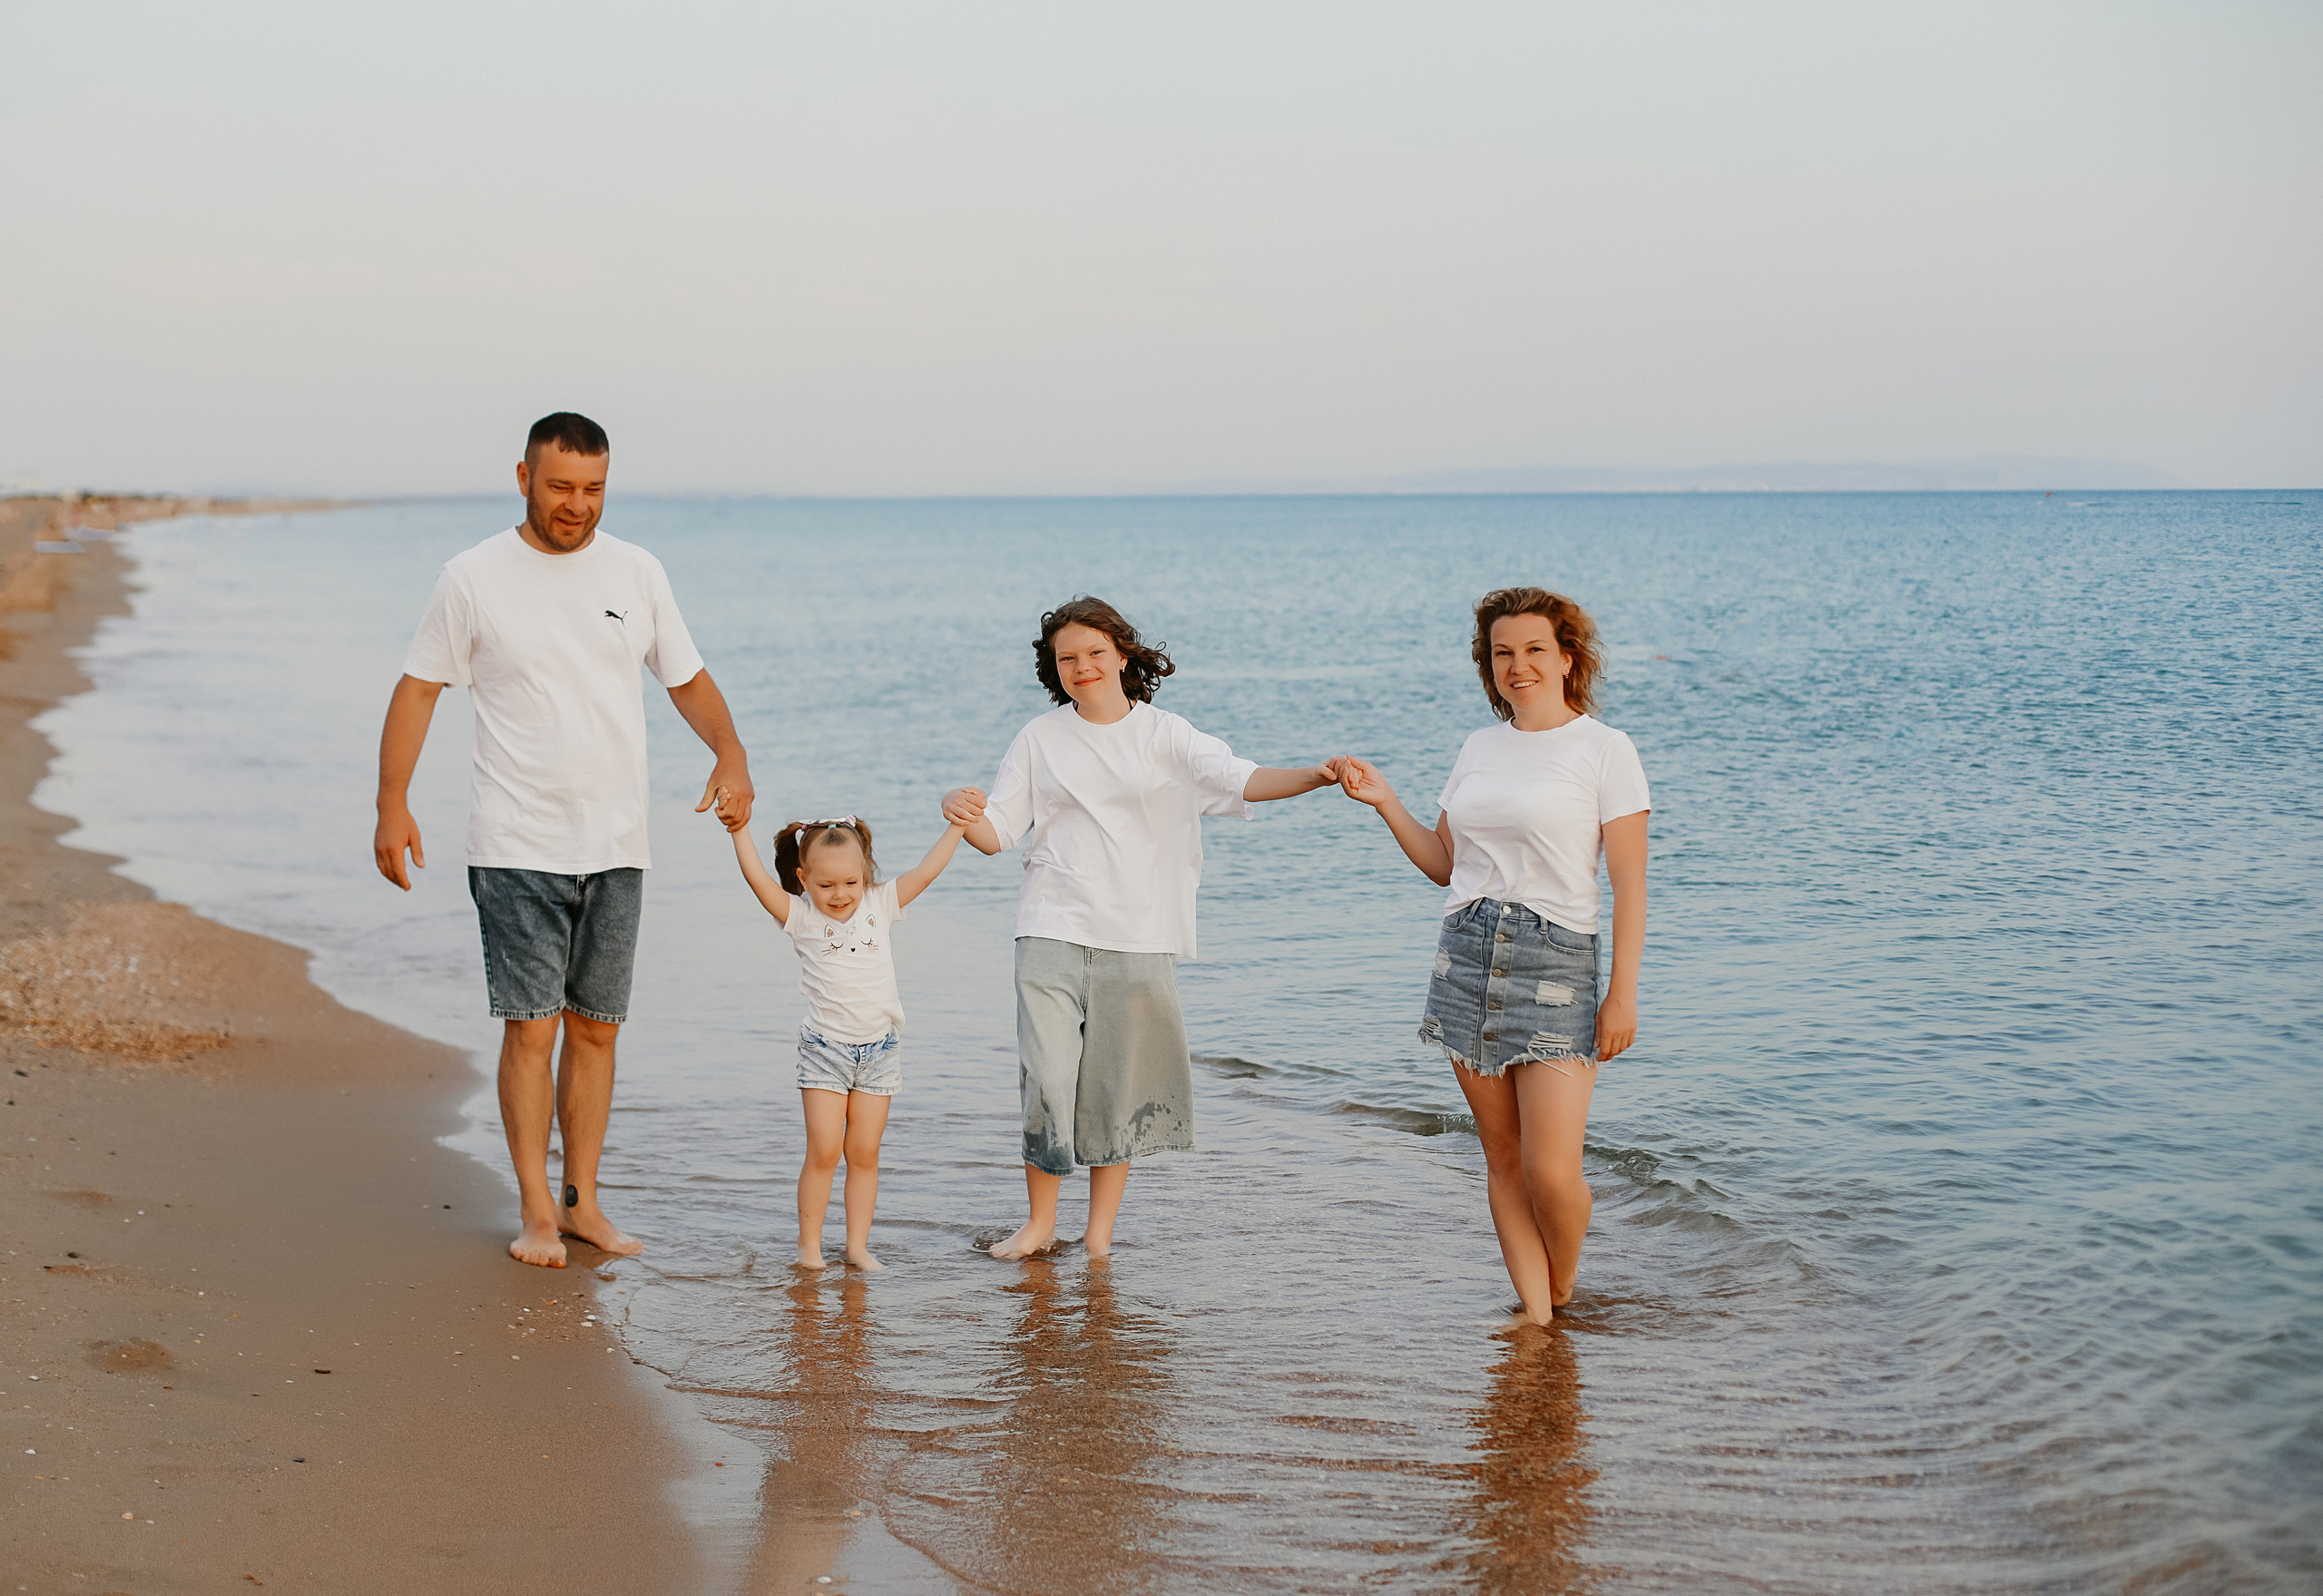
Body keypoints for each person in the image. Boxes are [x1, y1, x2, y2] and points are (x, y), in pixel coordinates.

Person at [372, 411, 754, 1270]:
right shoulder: (471, 577)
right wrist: (392, 802)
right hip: (514, 841)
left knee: (597, 1031)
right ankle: (536, 1210)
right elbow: (419, 687)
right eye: (560, 487)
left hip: (618, 843)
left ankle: (582, 1201)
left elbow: (685, 677)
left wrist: (730, 752)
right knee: (532, 1030)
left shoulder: (637, 570)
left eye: (593, 488)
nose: (577, 505)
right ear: (523, 477)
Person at [944, 595, 1339, 1260]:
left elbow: (1244, 780)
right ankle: (1039, 1224)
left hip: (1140, 934)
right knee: (1046, 1079)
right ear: (1054, 668)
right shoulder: (1039, 738)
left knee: (1113, 1089)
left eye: (1095, 653)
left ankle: (1098, 1236)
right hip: (1050, 927)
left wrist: (1319, 775)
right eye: (1066, 658)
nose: (1082, 667)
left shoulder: (1169, 736)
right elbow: (998, 833)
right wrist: (957, 809)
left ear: (1123, 654)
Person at [1337, 587, 1648, 1323]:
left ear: (1568, 657)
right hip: (1466, 958)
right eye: (1503, 652)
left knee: (1552, 1170)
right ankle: (1537, 1320)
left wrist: (1623, 992)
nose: (1519, 665)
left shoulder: (1605, 749)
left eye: (1535, 649)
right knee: (1504, 1160)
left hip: (1556, 963)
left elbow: (1631, 885)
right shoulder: (1479, 745)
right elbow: (1446, 862)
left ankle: (1563, 1282)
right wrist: (1386, 801)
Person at [722, 812, 973, 1269]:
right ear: (804, 879)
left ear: (866, 875)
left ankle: (857, 1247)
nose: (840, 895)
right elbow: (757, 878)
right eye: (827, 886)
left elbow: (928, 869)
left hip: (879, 1051)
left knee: (864, 1153)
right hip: (825, 1051)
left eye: (851, 883)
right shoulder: (800, 915)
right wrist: (739, 830)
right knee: (823, 1150)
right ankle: (810, 1249)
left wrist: (956, 827)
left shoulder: (881, 904)